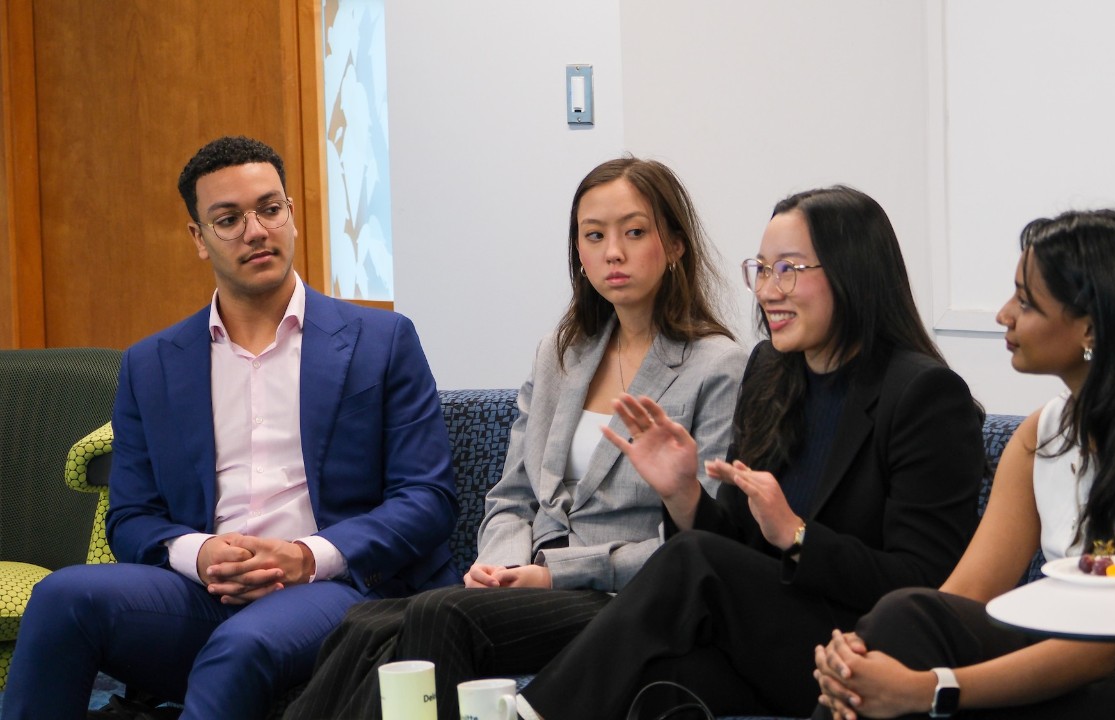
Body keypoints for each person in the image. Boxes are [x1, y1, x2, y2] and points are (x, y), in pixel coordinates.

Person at [1, 136, 460, 720]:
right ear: (199, 238)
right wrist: (201, 554)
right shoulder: (152, 363)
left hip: (339, 589)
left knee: (240, 646)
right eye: (229, 219)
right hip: (203, 593)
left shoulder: (381, 340)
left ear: (291, 214)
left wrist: (306, 556)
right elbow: (131, 516)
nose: (256, 231)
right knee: (61, 596)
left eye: (270, 209)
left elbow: (427, 498)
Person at [282, 157, 748, 720]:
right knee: (366, 622)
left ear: (673, 245)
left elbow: (706, 544)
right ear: (578, 252)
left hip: (628, 601)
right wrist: (500, 567)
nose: (612, 253)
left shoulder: (717, 366)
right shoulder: (562, 353)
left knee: (439, 613)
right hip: (535, 584)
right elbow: (512, 495)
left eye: (634, 232)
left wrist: (553, 575)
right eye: (593, 236)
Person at [514, 185, 988, 720]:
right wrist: (684, 494)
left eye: (788, 269)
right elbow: (737, 546)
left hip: (864, 649)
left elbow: (927, 581)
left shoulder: (924, 395)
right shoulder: (770, 371)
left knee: (693, 560)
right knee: (661, 683)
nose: (767, 290)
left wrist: (798, 536)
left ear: (852, 273)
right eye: (761, 270)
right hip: (772, 640)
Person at [813, 209, 1115, 720]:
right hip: (1081, 660)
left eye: (1026, 301)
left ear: (1091, 328)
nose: (1003, 315)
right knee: (907, 616)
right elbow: (964, 596)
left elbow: (1109, 642)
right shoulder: (1042, 433)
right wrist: (863, 656)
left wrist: (930, 688)